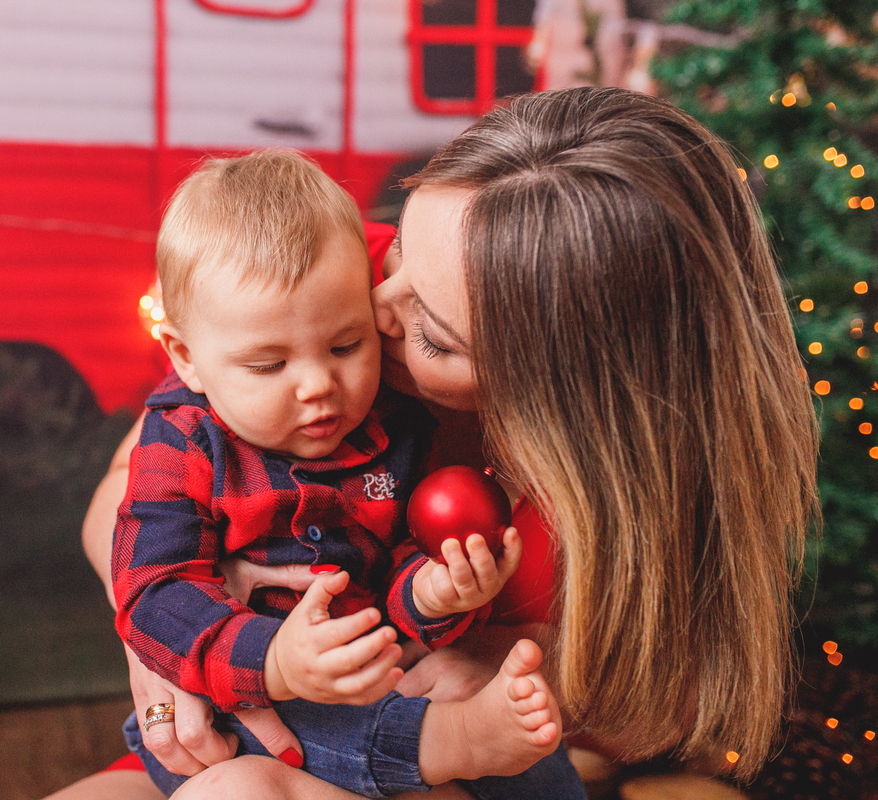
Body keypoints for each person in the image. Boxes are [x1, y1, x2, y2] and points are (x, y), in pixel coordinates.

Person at [51, 86, 819, 800]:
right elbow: (132, 491)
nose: (379, 306)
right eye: (397, 259)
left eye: (435, 334)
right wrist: (173, 642)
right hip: (239, 718)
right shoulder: (321, 290)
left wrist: (532, 660)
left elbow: (672, 705)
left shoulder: (648, 472)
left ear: (554, 385)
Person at [113, 149, 562, 798]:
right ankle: (454, 744)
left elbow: (394, 567)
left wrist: (434, 595)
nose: (319, 386)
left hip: (380, 673)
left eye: (346, 346)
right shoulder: (187, 437)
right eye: (269, 366)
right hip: (238, 704)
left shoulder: (389, 423)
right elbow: (152, 584)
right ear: (186, 358)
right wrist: (272, 660)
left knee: (523, 752)